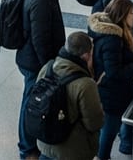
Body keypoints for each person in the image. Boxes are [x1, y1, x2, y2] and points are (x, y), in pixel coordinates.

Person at [14, 0, 66, 159]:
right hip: (34, 63)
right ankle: (26, 148)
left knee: (32, 101)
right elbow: (40, 39)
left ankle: (29, 144)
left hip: (33, 59)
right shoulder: (40, 0)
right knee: (30, 103)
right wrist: (48, 66)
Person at [89, 0, 133, 159]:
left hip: (113, 91)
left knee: (110, 127)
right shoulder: (112, 40)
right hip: (111, 94)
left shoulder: (117, 32)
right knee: (109, 131)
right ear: (122, 16)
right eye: (131, 13)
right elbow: (114, 72)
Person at [34, 32, 104, 160]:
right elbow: (94, 123)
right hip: (73, 152)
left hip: (45, 142)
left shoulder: (47, 68)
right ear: (86, 56)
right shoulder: (85, 84)